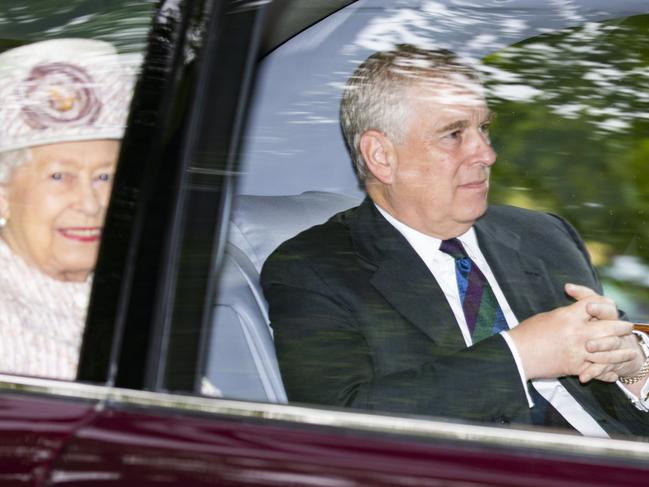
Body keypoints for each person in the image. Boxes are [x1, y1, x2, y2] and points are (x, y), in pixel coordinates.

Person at [261, 44, 649, 437]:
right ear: (381, 156)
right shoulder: (316, 269)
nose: (486, 153)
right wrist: (519, 357)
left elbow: (614, 412)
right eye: (453, 134)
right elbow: (338, 425)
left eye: (483, 128)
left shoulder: (544, 236)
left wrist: (634, 372)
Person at [0, 38, 134, 379]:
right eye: (60, 176)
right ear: (3, 193)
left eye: (105, 176)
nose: (90, 204)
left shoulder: (131, 286)